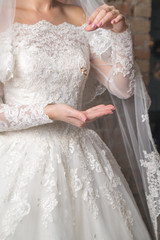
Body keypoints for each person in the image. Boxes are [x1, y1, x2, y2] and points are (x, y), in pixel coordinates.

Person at [0, 0, 159, 239]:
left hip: (80, 157)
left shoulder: (80, 15)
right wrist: (49, 111)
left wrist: (120, 34)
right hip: (19, 159)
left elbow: (122, 88)